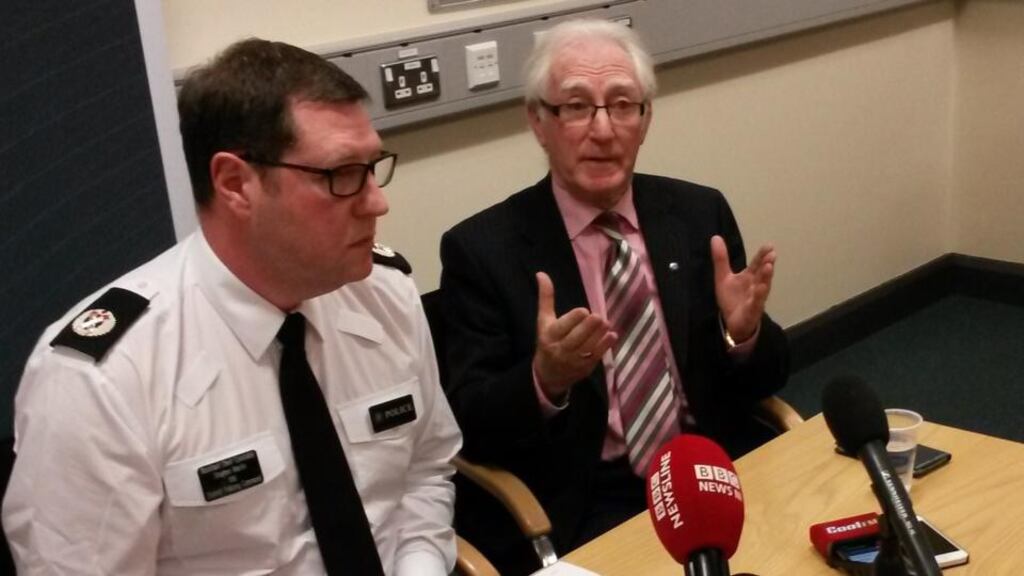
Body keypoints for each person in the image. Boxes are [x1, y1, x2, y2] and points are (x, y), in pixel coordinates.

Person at [2, 39, 461, 575]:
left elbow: (426, 470)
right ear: (235, 183)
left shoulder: (384, 294)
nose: (377, 201)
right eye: (340, 175)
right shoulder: (105, 379)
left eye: (372, 165)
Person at [439, 19, 789, 574]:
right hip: (591, 501)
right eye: (577, 107)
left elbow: (766, 381)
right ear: (538, 121)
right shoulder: (483, 251)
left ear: (645, 120)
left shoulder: (699, 215)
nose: (603, 130)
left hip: (711, 472)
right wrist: (545, 380)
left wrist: (742, 335)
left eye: (623, 104)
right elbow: (469, 424)